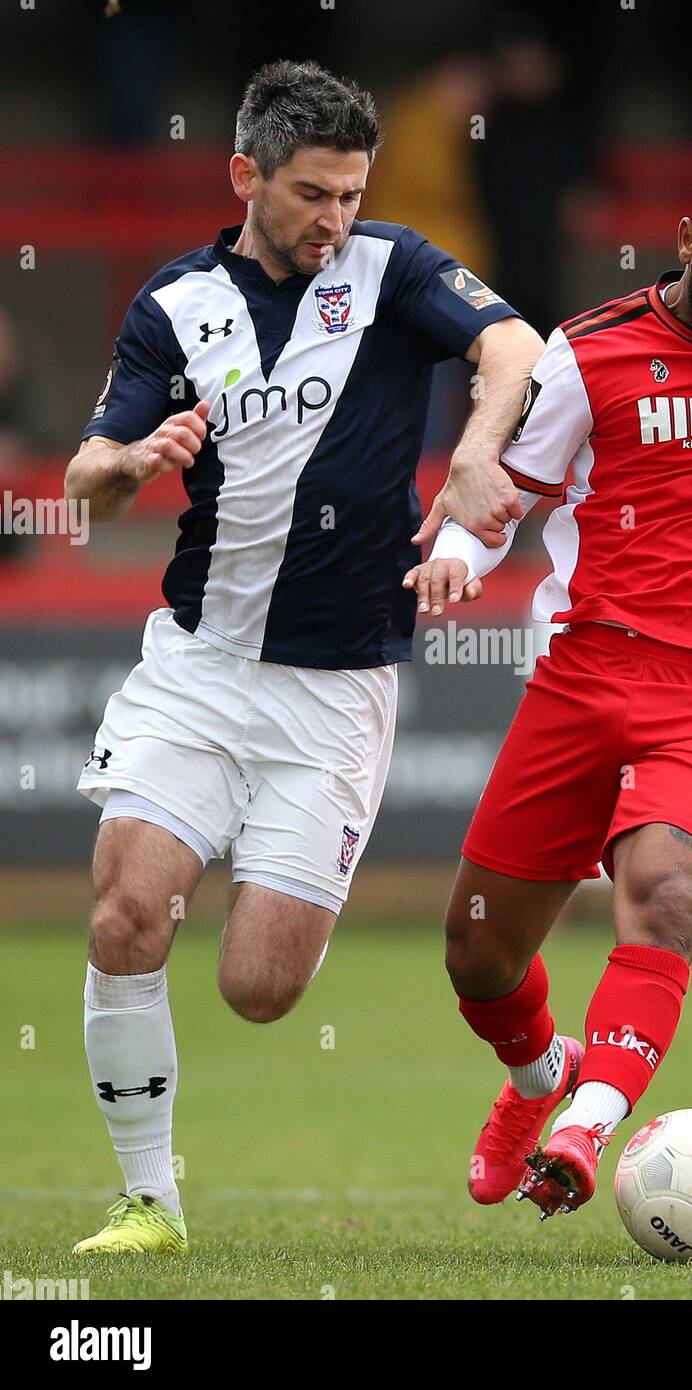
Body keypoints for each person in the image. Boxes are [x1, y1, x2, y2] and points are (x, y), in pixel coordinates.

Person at [63, 59, 543, 1254]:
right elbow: (85, 483)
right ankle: (147, 1202)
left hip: (335, 694)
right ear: (246, 176)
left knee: (259, 990)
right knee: (126, 912)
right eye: (314, 195)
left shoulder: (395, 268)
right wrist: (128, 466)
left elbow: (518, 349)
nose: (336, 219)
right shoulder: (175, 307)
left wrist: (478, 457)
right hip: (201, 664)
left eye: (350, 193)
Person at [407, 151, 692, 1221]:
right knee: (478, 954)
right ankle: (541, 1079)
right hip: (584, 675)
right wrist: (457, 563)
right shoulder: (592, 353)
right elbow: (508, 496)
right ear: (686, 242)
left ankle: (589, 1126)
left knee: (668, 892)